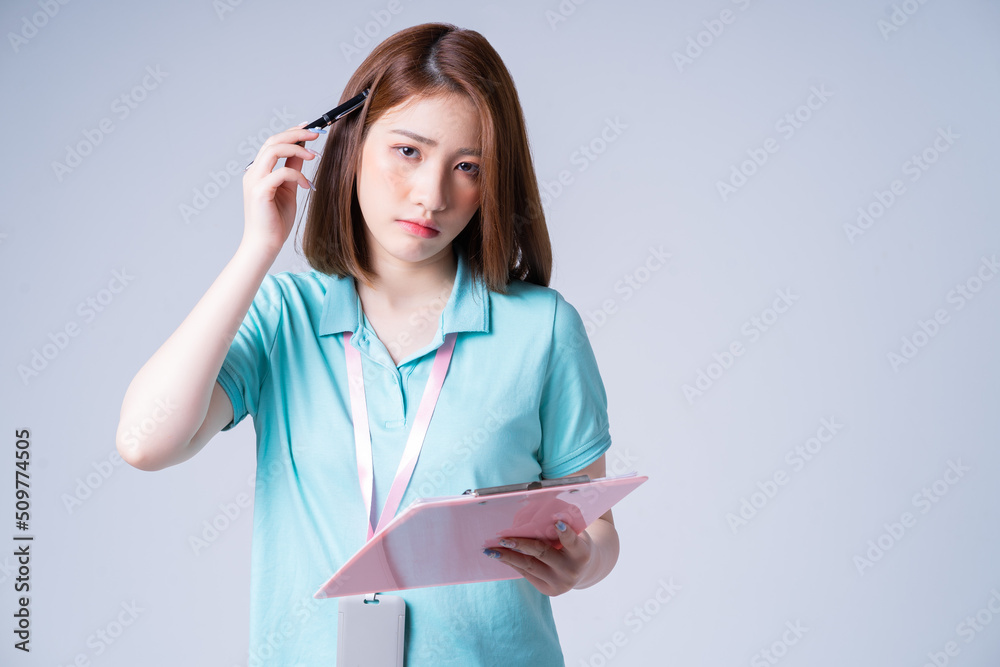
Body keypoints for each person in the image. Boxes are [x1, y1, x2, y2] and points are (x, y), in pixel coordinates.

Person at [116, 21, 620, 666]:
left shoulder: (542, 328)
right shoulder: (282, 317)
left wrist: (582, 562)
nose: (431, 195)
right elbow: (145, 442)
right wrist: (257, 249)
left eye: (467, 168)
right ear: (351, 146)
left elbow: (594, 525)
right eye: (407, 151)